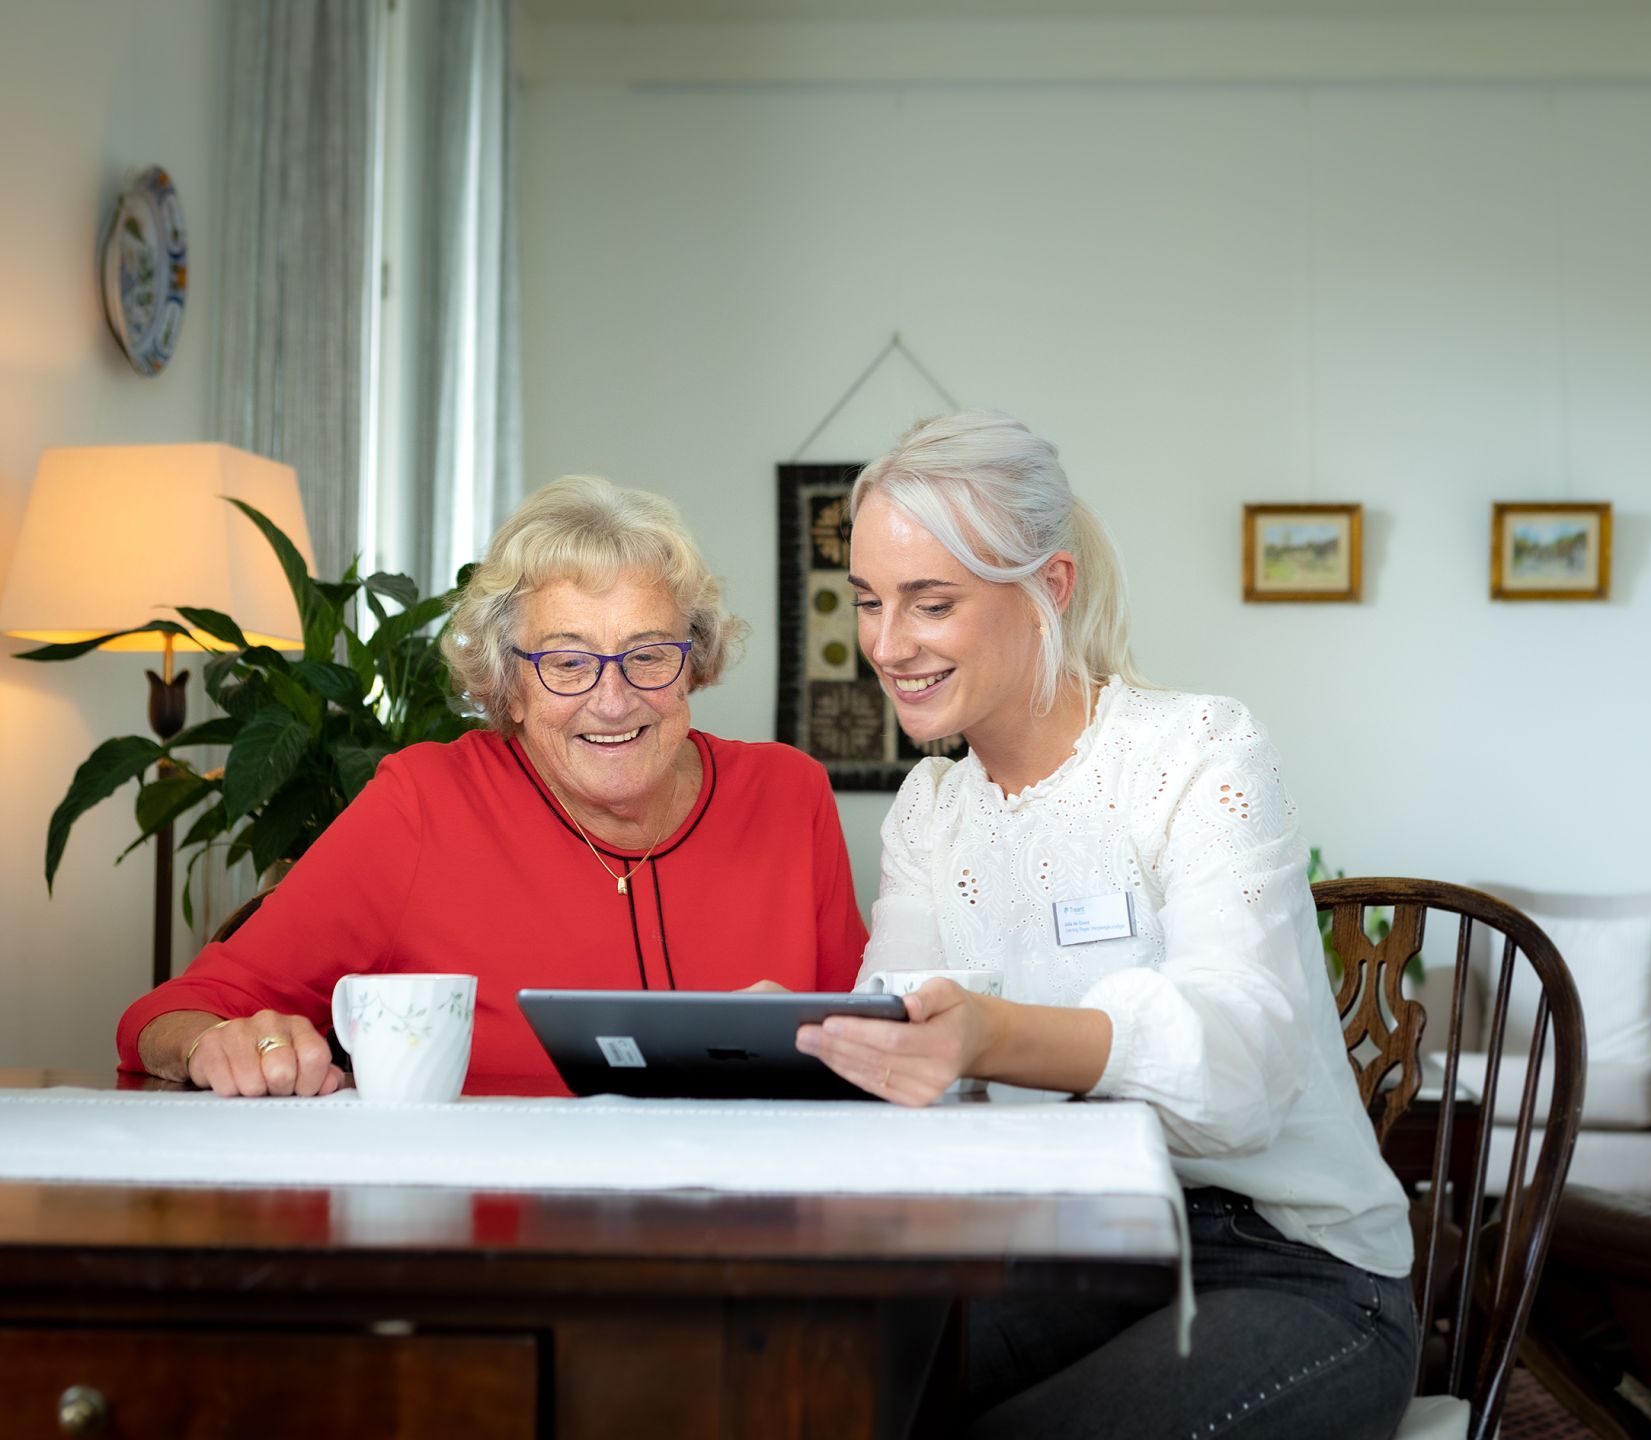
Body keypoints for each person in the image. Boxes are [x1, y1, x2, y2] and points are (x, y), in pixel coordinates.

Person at [795, 413, 1417, 1440]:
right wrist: (805, 1039)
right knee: (818, 1395)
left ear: (1051, 587)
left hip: (1289, 1265)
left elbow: (1244, 1074)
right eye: (867, 602)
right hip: (1059, 1247)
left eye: (931, 602)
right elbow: (911, 1049)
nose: (887, 644)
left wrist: (992, 1032)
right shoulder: (930, 812)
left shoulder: (1197, 754)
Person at [118, 476, 867, 1097]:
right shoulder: (426, 803)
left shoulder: (785, 796)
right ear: (510, 687)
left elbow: (873, 1054)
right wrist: (217, 1045)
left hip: (751, 1239)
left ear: (694, 664)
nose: (613, 700)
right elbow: (172, 1014)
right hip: (499, 1248)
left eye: (647, 656)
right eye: (567, 663)